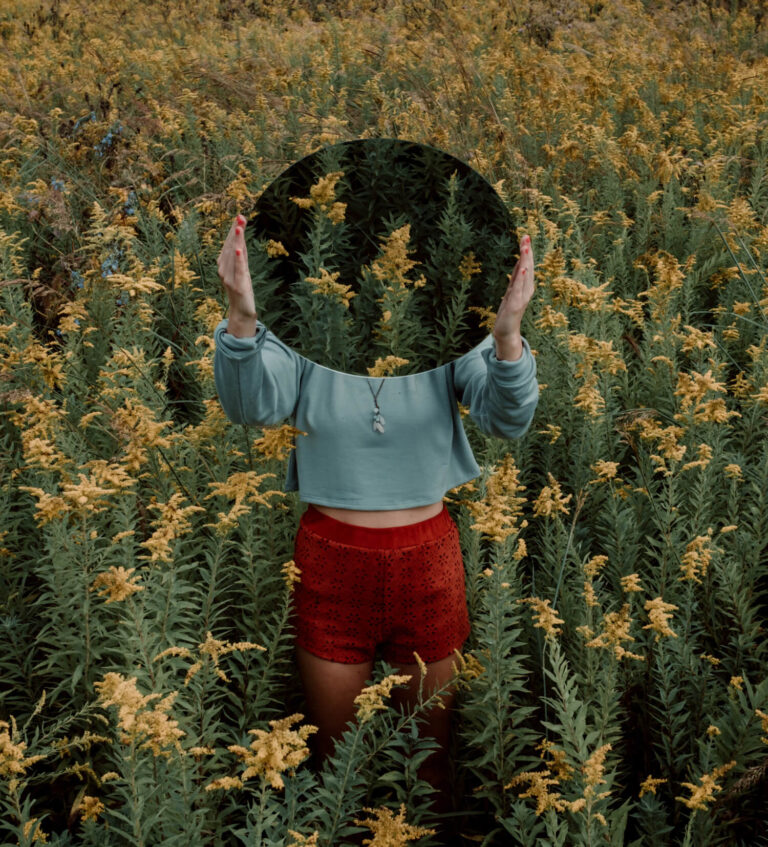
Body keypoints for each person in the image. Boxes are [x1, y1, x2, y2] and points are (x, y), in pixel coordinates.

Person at [214, 213, 538, 831]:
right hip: (331, 563)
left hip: (428, 562)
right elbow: (252, 406)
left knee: (430, 769)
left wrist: (506, 337)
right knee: (339, 769)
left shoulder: (448, 329)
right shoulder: (302, 325)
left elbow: (507, 419)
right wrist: (242, 317)